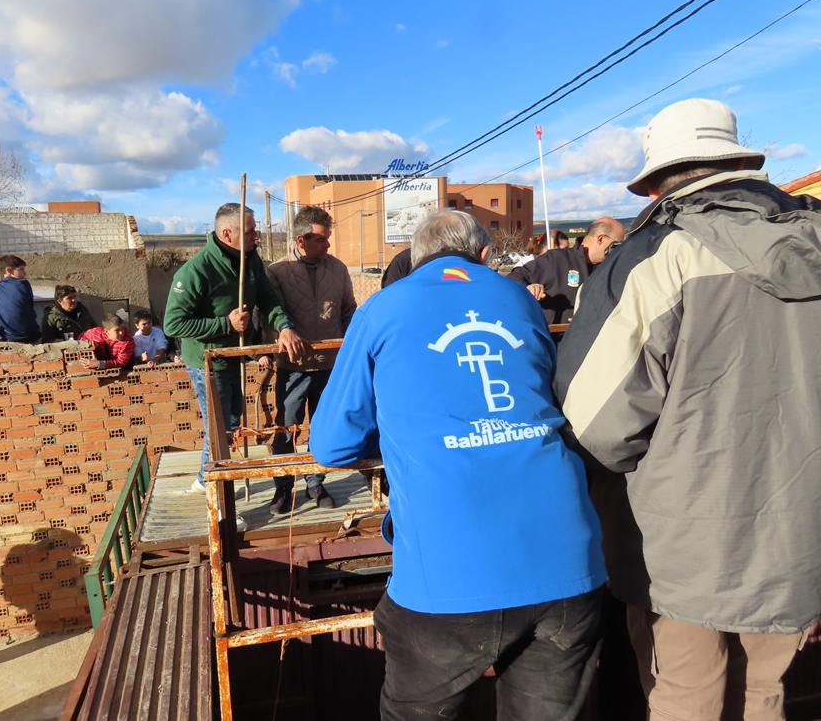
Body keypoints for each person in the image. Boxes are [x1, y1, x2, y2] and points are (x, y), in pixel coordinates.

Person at [554, 98, 821, 721]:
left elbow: (598, 424)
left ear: (653, 182)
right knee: (767, 697)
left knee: (685, 698)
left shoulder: (657, 257)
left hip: (681, 550)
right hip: (799, 537)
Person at [310, 210, 606, 721]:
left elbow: (332, 446)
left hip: (445, 579)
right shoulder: (516, 298)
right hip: (567, 565)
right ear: (486, 256)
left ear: (414, 259)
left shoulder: (383, 309)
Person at [163, 203, 305, 507]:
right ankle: (214, 494)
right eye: (251, 230)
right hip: (208, 363)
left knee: (229, 423)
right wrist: (223, 323)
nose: (258, 235)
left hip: (235, 357)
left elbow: (268, 299)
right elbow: (173, 323)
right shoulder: (196, 271)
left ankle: (207, 482)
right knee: (221, 430)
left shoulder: (250, 261)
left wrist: (283, 326)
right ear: (228, 233)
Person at [265, 206, 356, 513]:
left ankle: (316, 483)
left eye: (328, 238)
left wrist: (349, 350)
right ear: (302, 239)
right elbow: (270, 317)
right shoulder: (276, 272)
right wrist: (270, 349)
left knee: (323, 426)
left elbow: (348, 311)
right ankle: (283, 487)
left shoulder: (338, 269)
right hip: (293, 367)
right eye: (320, 239)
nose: (327, 245)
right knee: (287, 426)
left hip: (330, 366)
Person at [508, 217, 624, 325]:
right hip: (556, 342)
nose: (620, 250)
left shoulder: (609, 269)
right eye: (617, 245)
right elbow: (514, 278)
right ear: (601, 239)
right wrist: (528, 288)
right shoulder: (556, 259)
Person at [0, 255, 40, 343]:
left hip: (10, 339)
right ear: (9, 270)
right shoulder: (24, 284)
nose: (24, 273)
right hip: (31, 336)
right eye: (21, 269)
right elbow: (31, 310)